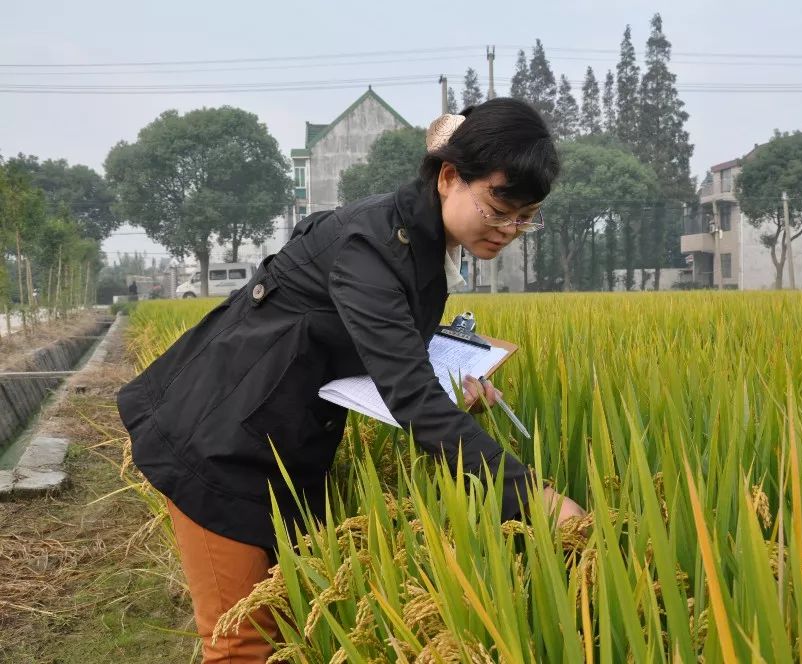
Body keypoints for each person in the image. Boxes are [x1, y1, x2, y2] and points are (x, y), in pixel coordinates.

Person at [116, 97, 586, 663]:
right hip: (216, 442)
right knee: (241, 644)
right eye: (498, 206)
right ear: (448, 177)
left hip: (280, 442)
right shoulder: (371, 246)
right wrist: (530, 495)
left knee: (285, 626)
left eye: (525, 215)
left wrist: (454, 385)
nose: (510, 229)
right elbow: (407, 394)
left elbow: (390, 351)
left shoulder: (417, 243)